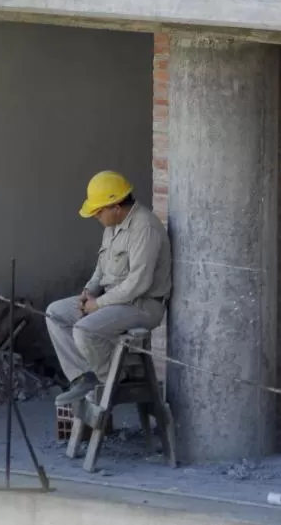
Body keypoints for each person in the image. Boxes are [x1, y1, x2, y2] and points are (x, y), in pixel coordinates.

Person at [46, 171, 172, 406]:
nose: (96, 216)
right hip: (113, 300)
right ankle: (84, 376)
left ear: (115, 206)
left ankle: (109, 380)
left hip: (143, 305)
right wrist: (89, 292)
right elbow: (101, 269)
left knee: (85, 330)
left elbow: (138, 284)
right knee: (55, 313)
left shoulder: (145, 228)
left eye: (98, 211)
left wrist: (98, 304)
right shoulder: (111, 226)